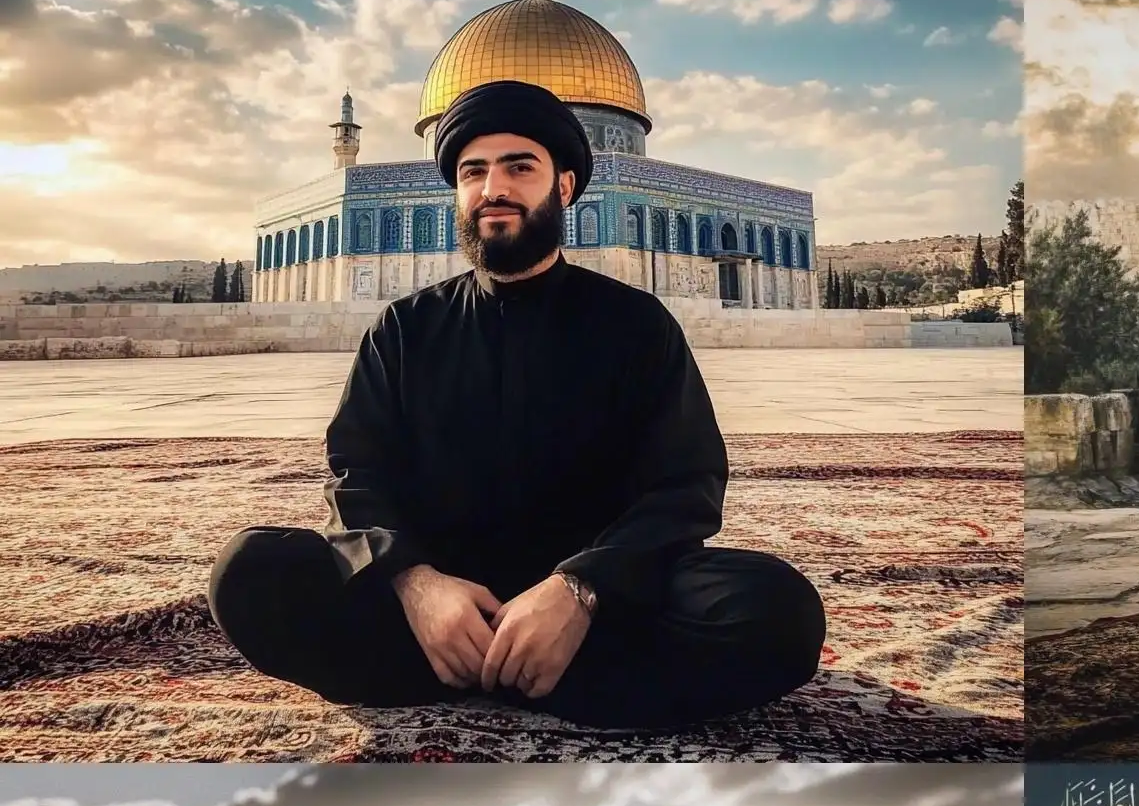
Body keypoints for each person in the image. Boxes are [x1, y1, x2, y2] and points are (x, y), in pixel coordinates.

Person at [208, 79, 826, 731]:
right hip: (440, 600)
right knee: (248, 571)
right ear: (456, 191)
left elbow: (685, 486)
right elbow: (355, 473)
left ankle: (500, 667)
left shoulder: (635, 326)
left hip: (601, 598)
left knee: (779, 612)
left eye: (518, 167)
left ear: (563, 186)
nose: (493, 188)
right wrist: (417, 586)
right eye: (473, 171)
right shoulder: (406, 330)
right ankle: (530, 672)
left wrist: (580, 591)